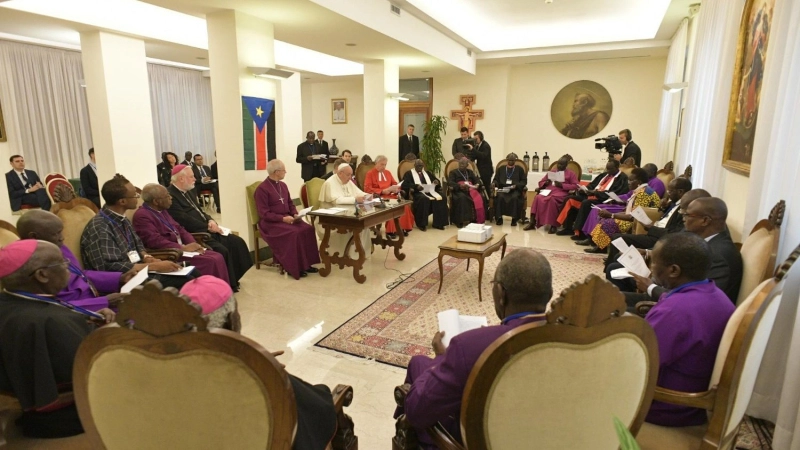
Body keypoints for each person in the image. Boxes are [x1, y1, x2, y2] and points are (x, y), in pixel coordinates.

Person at [396, 249, 553, 448]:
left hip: (481, 438)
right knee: (419, 362)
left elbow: (417, 412)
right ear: (549, 294)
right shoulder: (570, 337)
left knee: (417, 381)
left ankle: (405, 435)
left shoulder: (469, 346)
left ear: (501, 294)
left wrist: (441, 359)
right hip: (538, 429)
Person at [0, 240, 115, 438]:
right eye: (62, 263)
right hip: (67, 416)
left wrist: (85, 317)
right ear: (42, 275)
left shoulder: (11, 300)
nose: (68, 267)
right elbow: (94, 372)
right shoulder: (55, 322)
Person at [643, 233, 735, 427]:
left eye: (653, 263)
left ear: (673, 270)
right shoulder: (716, 294)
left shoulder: (674, 312)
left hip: (667, 405)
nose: (651, 268)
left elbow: (641, 363)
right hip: (694, 398)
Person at [80, 174, 193, 290]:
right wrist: (152, 266)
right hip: (124, 280)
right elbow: (108, 267)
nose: (138, 197)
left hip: (139, 270)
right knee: (187, 280)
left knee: (189, 269)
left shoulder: (122, 219)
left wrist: (148, 257)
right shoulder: (100, 227)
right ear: (122, 201)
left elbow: (138, 244)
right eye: (134, 195)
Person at [625, 197, 743, 307]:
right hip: (671, 297)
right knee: (611, 297)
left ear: (705, 220)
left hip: (681, 310)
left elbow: (701, 302)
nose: (683, 218)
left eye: (687, 215)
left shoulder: (719, 255)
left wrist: (651, 287)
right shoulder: (706, 241)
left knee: (612, 309)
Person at [16, 210, 136, 312]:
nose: (62, 237)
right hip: (79, 312)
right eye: (56, 234)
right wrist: (104, 302)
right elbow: (50, 307)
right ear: (33, 236)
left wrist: (119, 278)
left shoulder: (56, 245)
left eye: (61, 231)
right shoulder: (27, 263)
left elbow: (80, 273)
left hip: (95, 298)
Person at [167, 165, 252, 289]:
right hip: (197, 234)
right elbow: (183, 220)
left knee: (237, 242)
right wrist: (207, 227)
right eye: (191, 176)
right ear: (181, 179)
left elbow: (200, 211)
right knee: (223, 250)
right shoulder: (171, 196)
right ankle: (228, 284)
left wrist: (211, 220)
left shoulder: (188, 191)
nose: (195, 179)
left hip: (207, 228)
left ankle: (233, 278)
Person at [133, 183, 232, 287]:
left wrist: (192, 243)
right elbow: (154, 241)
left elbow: (179, 228)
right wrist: (182, 248)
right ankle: (208, 296)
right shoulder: (142, 216)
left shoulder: (161, 210)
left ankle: (221, 292)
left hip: (183, 249)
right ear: (156, 201)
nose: (171, 198)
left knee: (217, 255)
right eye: (167, 196)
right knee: (210, 261)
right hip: (171, 253)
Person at [604, 179, 696, 266]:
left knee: (618, 238)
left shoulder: (685, 211)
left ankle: (614, 264)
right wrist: (663, 207)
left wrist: (651, 228)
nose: (668, 193)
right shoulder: (674, 203)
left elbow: (673, 233)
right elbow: (666, 216)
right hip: (654, 232)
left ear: (680, 192)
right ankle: (618, 262)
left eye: (670, 191)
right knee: (617, 239)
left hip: (660, 239)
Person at [254, 160, 321, 280]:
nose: (286, 172)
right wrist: (282, 219)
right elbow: (264, 213)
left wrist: (295, 214)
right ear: (277, 172)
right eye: (284, 170)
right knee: (294, 233)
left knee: (308, 229)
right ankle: (293, 267)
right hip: (271, 223)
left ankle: (306, 264)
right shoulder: (262, 189)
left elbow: (290, 203)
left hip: (287, 218)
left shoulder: (283, 185)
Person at [581, 168, 662, 253]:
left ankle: (601, 248)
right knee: (604, 219)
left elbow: (634, 216)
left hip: (639, 223)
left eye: (631, 180)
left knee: (607, 223)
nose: (628, 182)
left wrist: (611, 215)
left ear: (639, 182)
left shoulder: (643, 194)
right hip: (634, 219)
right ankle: (600, 245)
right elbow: (631, 211)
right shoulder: (640, 190)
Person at [554, 159, 629, 239]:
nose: (608, 171)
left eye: (610, 169)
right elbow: (592, 185)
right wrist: (585, 190)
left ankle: (581, 233)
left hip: (603, 200)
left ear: (617, 167)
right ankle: (567, 228)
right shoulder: (604, 175)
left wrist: (595, 193)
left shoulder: (622, 178)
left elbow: (615, 193)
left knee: (586, 203)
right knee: (570, 199)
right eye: (607, 168)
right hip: (591, 196)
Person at [318, 163, 371, 259]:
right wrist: (355, 199)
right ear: (340, 173)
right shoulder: (330, 183)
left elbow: (358, 192)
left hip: (347, 214)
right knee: (357, 224)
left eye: (351, 175)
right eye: (348, 175)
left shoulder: (347, 181)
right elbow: (336, 201)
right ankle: (345, 255)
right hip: (331, 218)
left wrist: (367, 195)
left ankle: (360, 253)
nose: (350, 178)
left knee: (364, 222)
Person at [523, 156, 579, 232]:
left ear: (566, 165)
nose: (560, 166)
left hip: (561, 192)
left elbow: (575, 185)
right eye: (559, 164)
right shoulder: (552, 172)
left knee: (552, 199)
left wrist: (562, 185)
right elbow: (541, 182)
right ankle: (532, 222)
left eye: (562, 165)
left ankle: (553, 225)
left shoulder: (571, 174)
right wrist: (546, 182)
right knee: (538, 197)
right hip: (549, 190)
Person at [363, 155, 414, 238]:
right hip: (379, 197)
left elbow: (394, 183)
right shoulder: (370, 173)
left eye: (385, 165)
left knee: (404, 206)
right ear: (376, 163)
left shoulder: (388, 173)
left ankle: (402, 228)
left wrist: (395, 188)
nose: (383, 167)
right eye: (381, 164)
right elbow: (367, 188)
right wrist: (382, 191)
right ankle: (391, 231)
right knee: (391, 207)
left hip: (390, 195)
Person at [401, 159, 448, 231]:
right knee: (423, 199)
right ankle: (422, 224)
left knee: (442, 197)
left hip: (430, 191)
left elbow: (436, 181)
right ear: (414, 166)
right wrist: (416, 186)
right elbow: (405, 185)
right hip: (417, 192)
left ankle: (439, 223)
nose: (420, 167)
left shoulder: (427, 173)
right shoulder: (409, 174)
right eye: (418, 166)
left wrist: (437, 182)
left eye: (421, 166)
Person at [447, 157, 488, 227]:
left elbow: (477, 180)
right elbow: (450, 182)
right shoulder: (453, 172)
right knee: (462, 198)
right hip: (459, 191)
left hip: (471, 189)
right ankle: (459, 220)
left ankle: (475, 219)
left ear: (467, 165)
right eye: (460, 163)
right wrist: (460, 186)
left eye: (463, 164)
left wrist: (477, 184)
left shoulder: (470, 172)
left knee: (480, 197)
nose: (461, 165)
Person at [491, 153, 527, 226]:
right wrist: (494, 183)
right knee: (500, 197)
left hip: (515, 190)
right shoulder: (501, 169)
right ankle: (499, 218)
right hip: (503, 189)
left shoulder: (519, 169)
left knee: (514, 198)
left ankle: (514, 219)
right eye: (509, 160)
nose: (511, 161)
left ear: (515, 161)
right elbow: (496, 179)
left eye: (512, 160)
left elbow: (524, 181)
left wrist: (516, 186)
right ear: (507, 160)